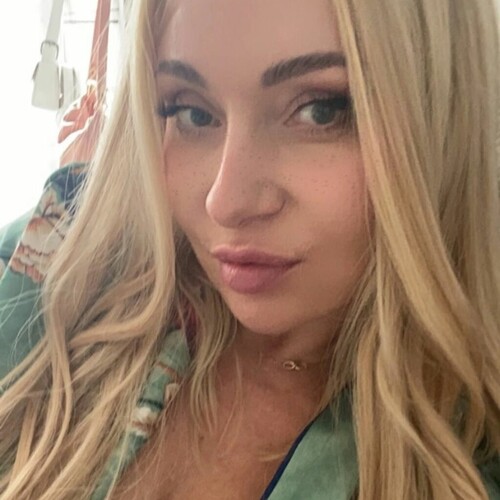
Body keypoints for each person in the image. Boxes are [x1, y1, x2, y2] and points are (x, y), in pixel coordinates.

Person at [0, 0, 499, 498]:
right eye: (193, 112)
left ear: (442, 121)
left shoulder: (465, 464)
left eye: (320, 111)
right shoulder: (58, 266)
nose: (226, 202)